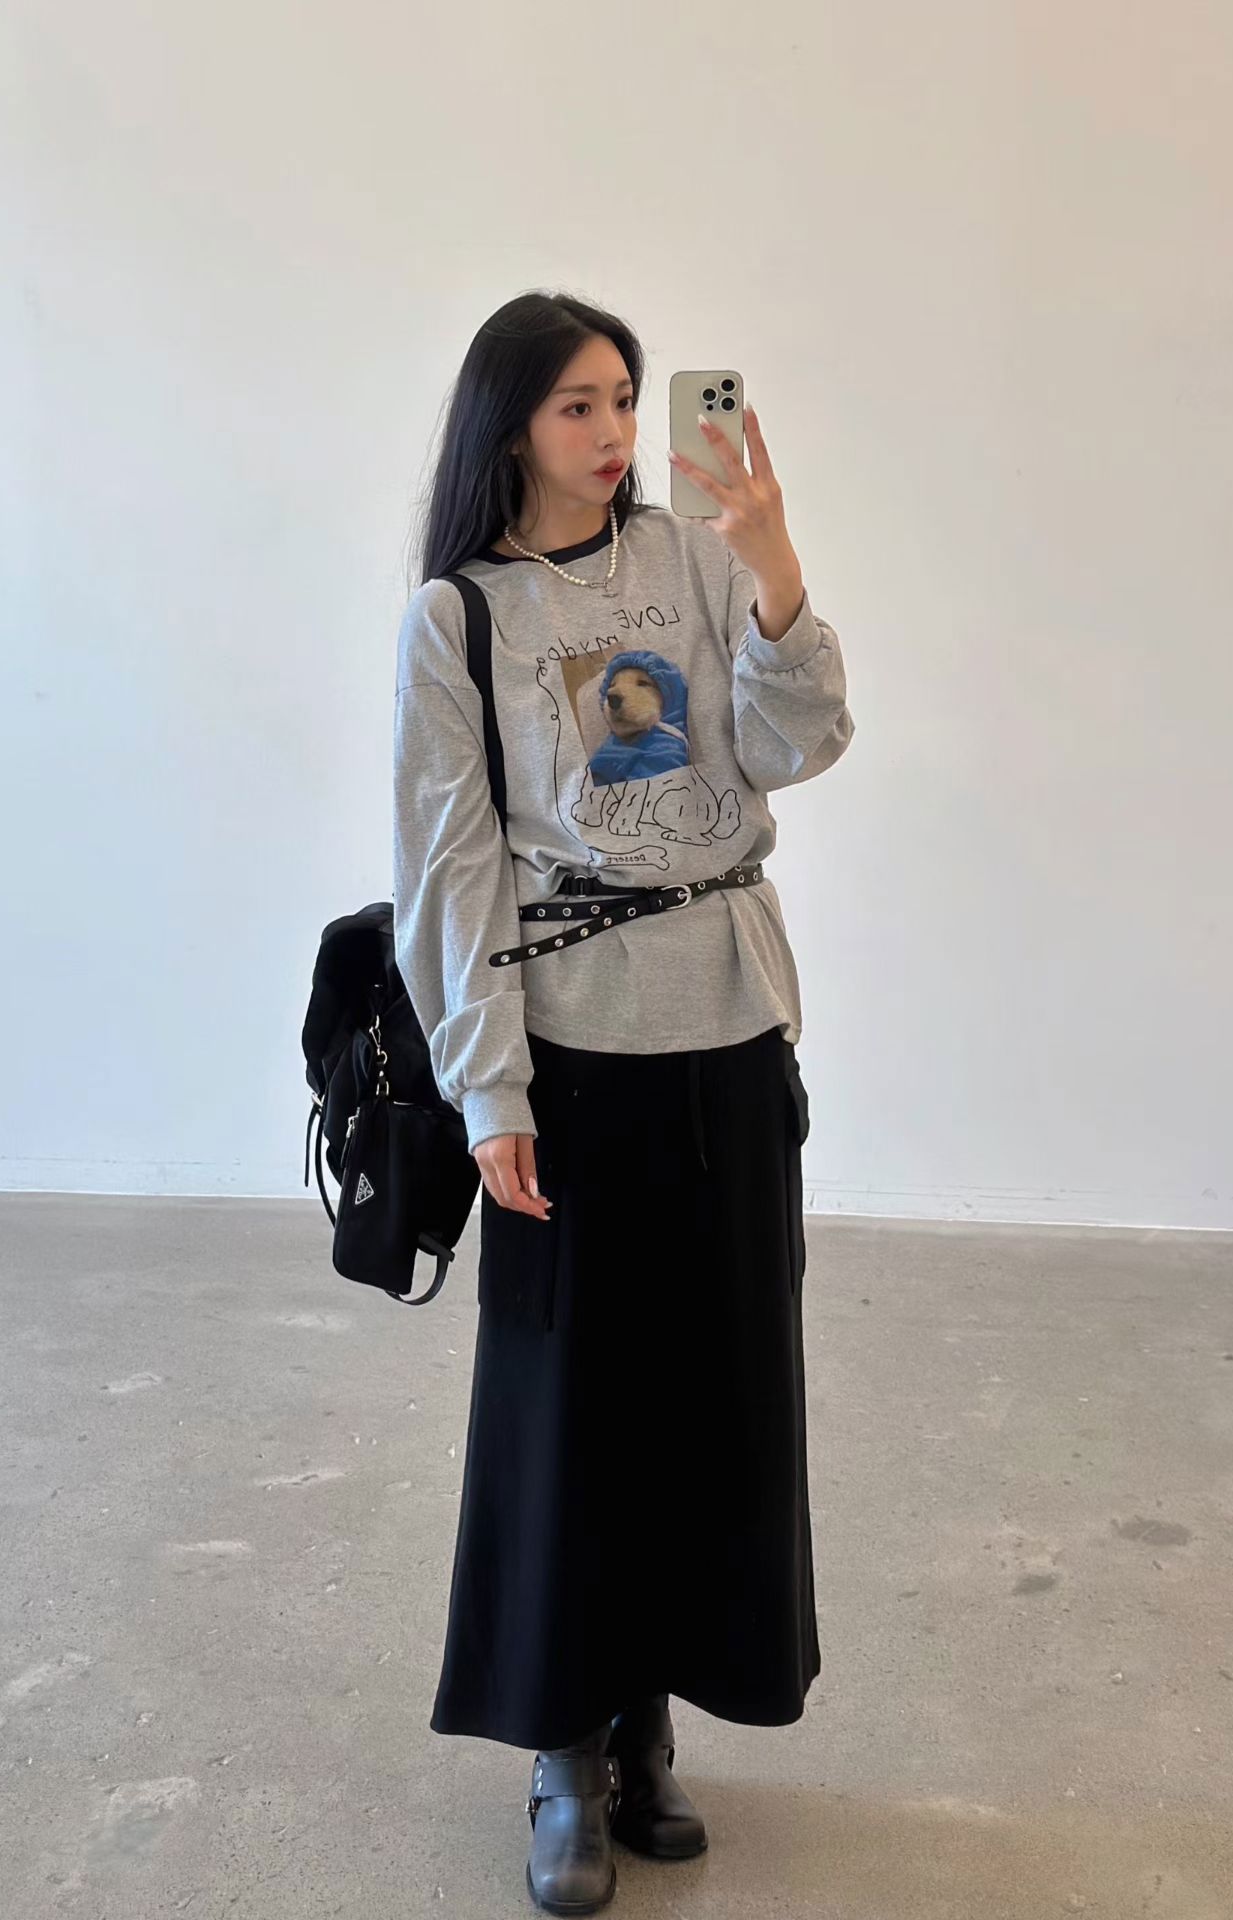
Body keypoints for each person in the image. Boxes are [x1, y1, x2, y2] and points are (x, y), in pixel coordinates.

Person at [391, 290, 853, 1916]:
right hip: (571, 1054)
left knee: (713, 1403)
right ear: (511, 424)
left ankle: (651, 1730)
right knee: (568, 1415)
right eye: (576, 404)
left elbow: (802, 742)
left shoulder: (700, 559)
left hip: (729, 1027)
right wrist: (486, 1084)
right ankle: (564, 1752)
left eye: (623, 400)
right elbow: (447, 864)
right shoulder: (461, 615)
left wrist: (773, 560)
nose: (609, 432)